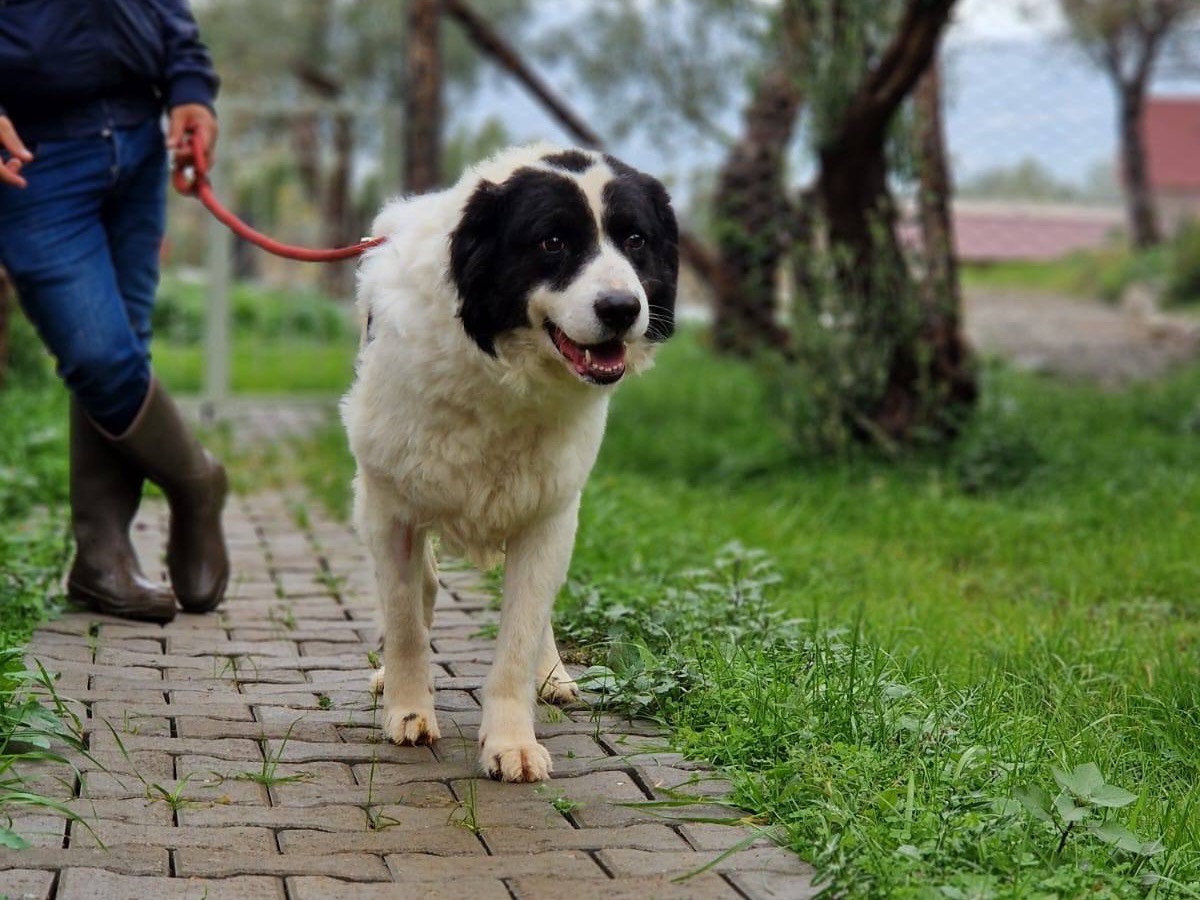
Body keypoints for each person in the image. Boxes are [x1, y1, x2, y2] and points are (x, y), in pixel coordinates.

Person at [0, 1, 228, 623]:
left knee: (123, 345)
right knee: (97, 353)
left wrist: (189, 89)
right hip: (30, 152)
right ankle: (196, 479)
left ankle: (101, 562)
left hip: (137, 140)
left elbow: (169, 13)